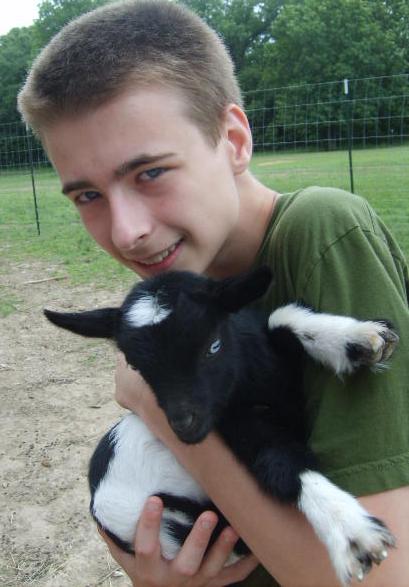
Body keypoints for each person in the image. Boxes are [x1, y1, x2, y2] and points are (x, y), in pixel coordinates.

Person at [18, 1, 409, 585]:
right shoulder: (178, 297)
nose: (126, 232)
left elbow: (385, 575)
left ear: (232, 139)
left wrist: (154, 402)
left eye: (149, 172)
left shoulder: (322, 230)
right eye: (86, 196)